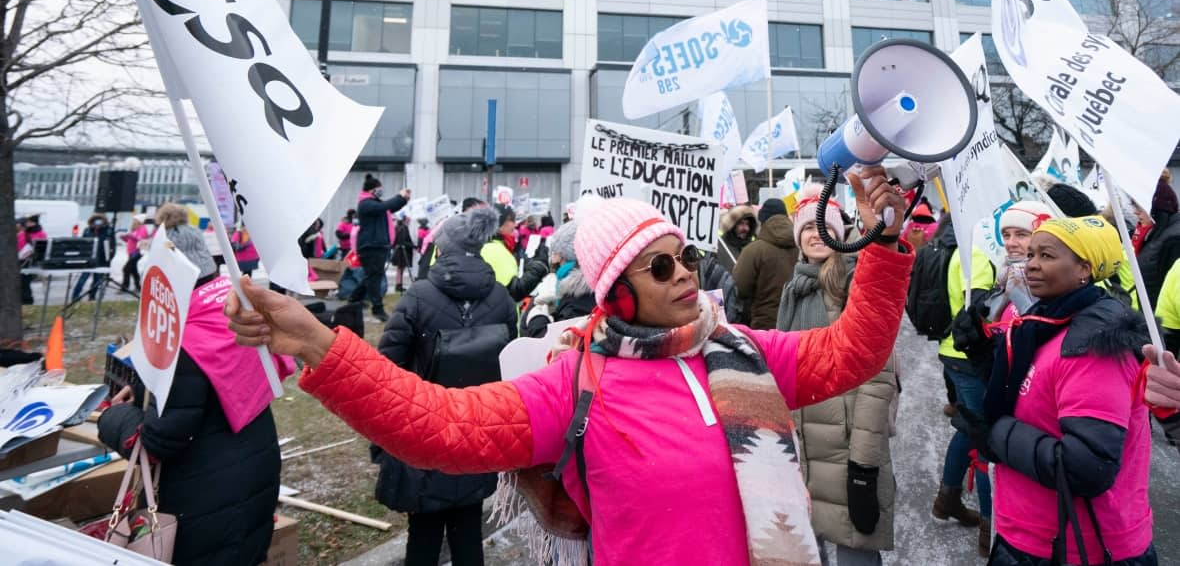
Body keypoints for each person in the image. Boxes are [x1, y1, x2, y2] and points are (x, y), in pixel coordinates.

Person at [226, 168, 913, 566]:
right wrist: (323, 347)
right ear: (614, 290)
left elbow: (855, 349)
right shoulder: (577, 383)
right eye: (660, 265)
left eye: (688, 258)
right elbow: (439, 425)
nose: (684, 276)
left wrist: (884, 244)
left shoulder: (744, 352)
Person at [953, 217, 1156, 565]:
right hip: (1031, 534)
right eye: (1030, 254)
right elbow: (1036, 398)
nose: (1031, 263)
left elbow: (1086, 466)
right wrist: (984, 355)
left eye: (1046, 255)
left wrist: (994, 435)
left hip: (1078, 547)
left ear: (1084, 269)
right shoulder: (1048, 323)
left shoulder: (1095, 347)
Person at [99, 202, 293, 565]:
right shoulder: (238, 310)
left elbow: (159, 441)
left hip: (203, 499)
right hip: (254, 474)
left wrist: (115, 417)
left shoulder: (182, 340)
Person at [373, 208, 516, 566]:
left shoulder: (418, 296)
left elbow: (386, 367)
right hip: (479, 428)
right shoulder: (501, 298)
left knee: (423, 533)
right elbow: (510, 366)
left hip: (424, 428)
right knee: (468, 530)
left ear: (442, 248)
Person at [778, 189, 897, 566]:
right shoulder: (794, 289)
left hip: (847, 451)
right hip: (806, 450)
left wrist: (863, 465)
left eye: (823, 226)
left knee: (855, 553)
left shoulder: (852, 281)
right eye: (807, 228)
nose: (815, 234)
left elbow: (878, 378)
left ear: (837, 232)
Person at [935, 220, 996, 555]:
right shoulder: (977, 252)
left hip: (953, 352)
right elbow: (979, 311)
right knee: (986, 439)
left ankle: (947, 498)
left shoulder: (962, 247)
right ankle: (990, 528)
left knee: (969, 428)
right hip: (967, 355)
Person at [732, 197, 799, 329]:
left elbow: (738, 288)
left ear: (762, 221)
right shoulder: (803, 246)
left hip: (764, 328)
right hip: (798, 326)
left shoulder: (754, 250)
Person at [351, 174, 410, 322]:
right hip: (371, 246)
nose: (381, 191)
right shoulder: (366, 204)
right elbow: (386, 206)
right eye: (379, 189)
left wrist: (404, 199)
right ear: (372, 189)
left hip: (377, 245)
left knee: (372, 275)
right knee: (374, 276)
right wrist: (399, 196)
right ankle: (377, 309)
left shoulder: (373, 203)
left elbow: (391, 207)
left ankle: (354, 300)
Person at [1133, 171, 1180, 306]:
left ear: (1154, 208)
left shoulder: (1174, 240)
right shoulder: (1158, 234)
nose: (1135, 212)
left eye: (1139, 206)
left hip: (1164, 323)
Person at [72, 213, 115, 302]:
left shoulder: (108, 230)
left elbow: (112, 245)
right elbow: (82, 243)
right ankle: (75, 297)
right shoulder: (87, 230)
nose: (98, 223)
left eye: (100, 220)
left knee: (97, 280)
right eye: (96, 220)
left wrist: (109, 257)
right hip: (89, 259)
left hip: (101, 259)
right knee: (83, 278)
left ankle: (92, 296)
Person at [119, 214, 151, 295]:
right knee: (133, 270)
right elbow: (130, 241)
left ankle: (124, 287)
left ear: (139, 221)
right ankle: (138, 287)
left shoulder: (143, 229)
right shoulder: (134, 229)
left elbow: (141, 239)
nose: (133, 222)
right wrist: (124, 237)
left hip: (137, 252)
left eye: (135, 220)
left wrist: (131, 235)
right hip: (131, 252)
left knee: (126, 269)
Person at [391, 215, 415, 293]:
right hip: (402, 251)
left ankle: (399, 284)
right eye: (408, 219)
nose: (409, 221)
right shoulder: (403, 228)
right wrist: (414, 246)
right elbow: (403, 241)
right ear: (405, 220)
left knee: (400, 269)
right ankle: (398, 285)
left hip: (398, 250)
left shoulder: (397, 227)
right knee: (400, 269)